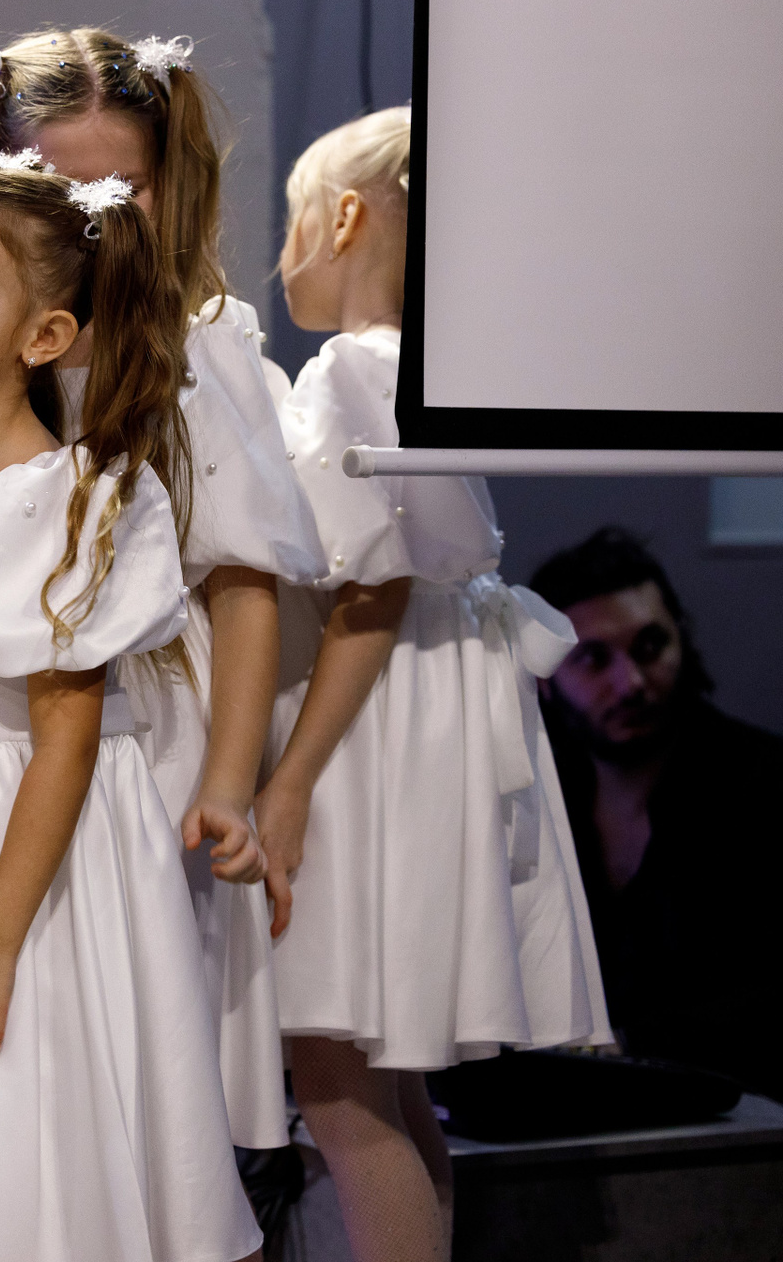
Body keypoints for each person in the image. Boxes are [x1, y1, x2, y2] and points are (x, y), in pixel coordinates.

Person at [0, 28, 330, 1153]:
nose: (93, 215)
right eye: (55, 184)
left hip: (138, 732)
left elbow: (243, 585)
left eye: (124, 187)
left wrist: (228, 783)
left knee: (123, 1035)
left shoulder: (192, 354)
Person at [0, 162, 262, 1262]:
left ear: (43, 337)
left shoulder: (70, 497)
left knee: (27, 1127)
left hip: (25, 856)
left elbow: (67, 741)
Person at [260, 104, 610, 1262]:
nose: (281, 255)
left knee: (335, 1076)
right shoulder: (413, 366)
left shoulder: (356, 367)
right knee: (386, 1078)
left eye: (293, 222)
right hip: (424, 700)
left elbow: (375, 583)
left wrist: (289, 781)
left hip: (375, 719)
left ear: (343, 219)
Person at [532, 527, 783, 1100]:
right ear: (545, 681)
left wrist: (623, 1046)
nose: (631, 683)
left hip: (742, 1110)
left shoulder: (763, 783)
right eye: (593, 659)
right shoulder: (541, 804)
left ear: (681, 642)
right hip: (578, 1109)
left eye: (650, 646)